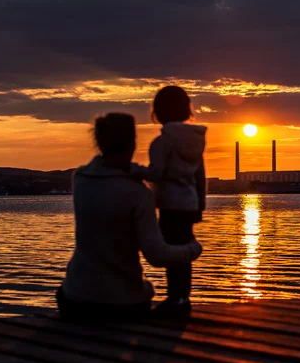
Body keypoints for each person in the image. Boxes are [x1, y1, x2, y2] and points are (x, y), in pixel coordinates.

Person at [57, 113, 203, 322]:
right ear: (132, 144)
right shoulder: (138, 193)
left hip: (74, 301)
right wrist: (193, 249)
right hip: (122, 305)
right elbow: (157, 255)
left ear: (99, 142)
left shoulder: (80, 179)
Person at [131, 86, 207, 313]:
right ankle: (182, 297)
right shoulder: (194, 141)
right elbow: (199, 176)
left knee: (173, 250)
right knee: (183, 248)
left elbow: (157, 174)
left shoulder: (162, 142)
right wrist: (200, 205)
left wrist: (134, 170)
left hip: (171, 203)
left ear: (158, 111)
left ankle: (175, 298)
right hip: (189, 202)